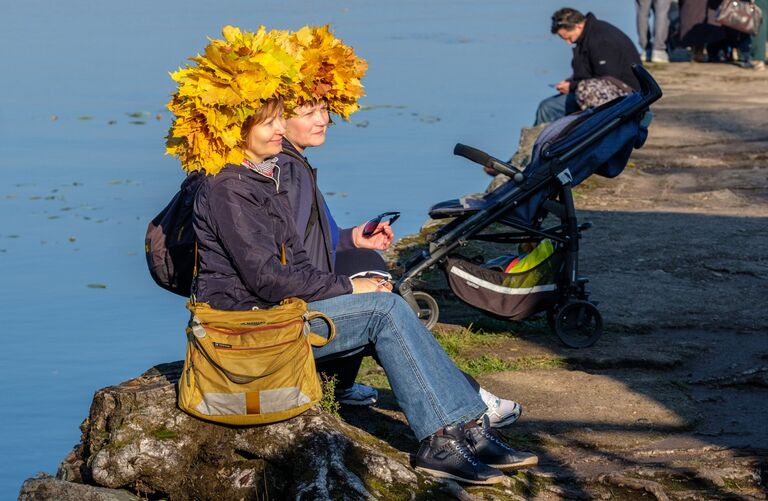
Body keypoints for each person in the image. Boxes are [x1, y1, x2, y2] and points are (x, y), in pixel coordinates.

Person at [167, 26, 538, 485]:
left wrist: (350, 268)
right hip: (251, 332)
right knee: (383, 308)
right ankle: (445, 437)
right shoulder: (227, 188)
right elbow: (267, 280)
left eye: (282, 118)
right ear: (234, 128)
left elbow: (296, 262)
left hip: (274, 318)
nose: (281, 129)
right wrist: (348, 286)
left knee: (384, 304)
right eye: (271, 122)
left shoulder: (260, 177)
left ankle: (465, 429)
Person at [276, 26, 524, 426]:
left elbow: (301, 240)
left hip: (300, 298)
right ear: (277, 118)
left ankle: (339, 385)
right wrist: (351, 286)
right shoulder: (285, 172)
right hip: (286, 319)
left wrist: (351, 237)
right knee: (377, 292)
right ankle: (469, 402)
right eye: (310, 112)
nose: (324, 119)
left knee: (367, 264)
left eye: (326, 110)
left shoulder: (293, 163)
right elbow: (286, 265)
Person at [535, 8, 642, 125]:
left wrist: (572, 86)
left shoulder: (600, 41)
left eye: (568, 38)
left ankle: (543, 142)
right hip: (610, 90)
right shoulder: (591, 33)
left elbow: (607, 78)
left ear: (578, 26)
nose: (568, 43)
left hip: (625, 96)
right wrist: (571, 81)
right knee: (550, 105)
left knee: (547, 107)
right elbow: (592, 72)